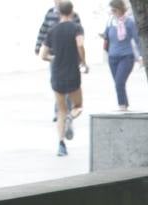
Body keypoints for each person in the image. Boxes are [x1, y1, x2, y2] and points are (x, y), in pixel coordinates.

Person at [42, 1, 88, 159]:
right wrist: (83, 62)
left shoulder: (52, 30)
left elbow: (43, 55)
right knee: (78, 105)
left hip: (57, 75)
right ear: (72, 11)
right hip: (72, 72)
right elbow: (80, 45)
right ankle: (71, 116)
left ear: (59, 12)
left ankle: (61, 145)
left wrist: (53, 58)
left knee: (60, 110)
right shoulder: (76, 28)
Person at [103, 0, 141, 112]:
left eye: (114, 10)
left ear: (120, 9)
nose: (113, 12)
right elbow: (106, 36)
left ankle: (122, 106)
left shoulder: (129, 22)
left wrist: (141, 57)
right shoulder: (110, 22)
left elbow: (137, 39)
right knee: (118, 83)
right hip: (112, 57)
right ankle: (125, 103)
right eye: (111, 10)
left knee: (119, 81)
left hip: (126, 56)